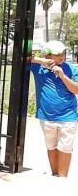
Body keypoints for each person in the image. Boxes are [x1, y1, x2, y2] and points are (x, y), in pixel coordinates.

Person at [30, 40, 78, 177]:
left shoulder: (71, 69)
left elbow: (76, 90)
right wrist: (42, 61)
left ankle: (63, 178)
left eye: (63, 52)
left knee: (65, 148)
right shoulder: (38, 68)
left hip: (68, 116)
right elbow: (21, 58)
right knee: (51, 146)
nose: (62, 56)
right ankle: (55, 175)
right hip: (46, 117)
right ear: (48, 55)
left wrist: (62, 76)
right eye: (57, 54)